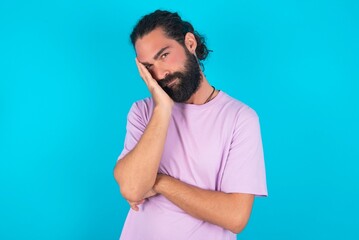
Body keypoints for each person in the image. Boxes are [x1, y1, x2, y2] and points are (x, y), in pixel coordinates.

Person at [113, 9, 267, 240]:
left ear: (190, 42)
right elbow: (133, 188)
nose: (160, 73)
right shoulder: (143, 112)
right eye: (149, 67)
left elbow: (236, 217)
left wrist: (160, 182)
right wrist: (163, 109)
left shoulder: (240, 118)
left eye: (164, 55)